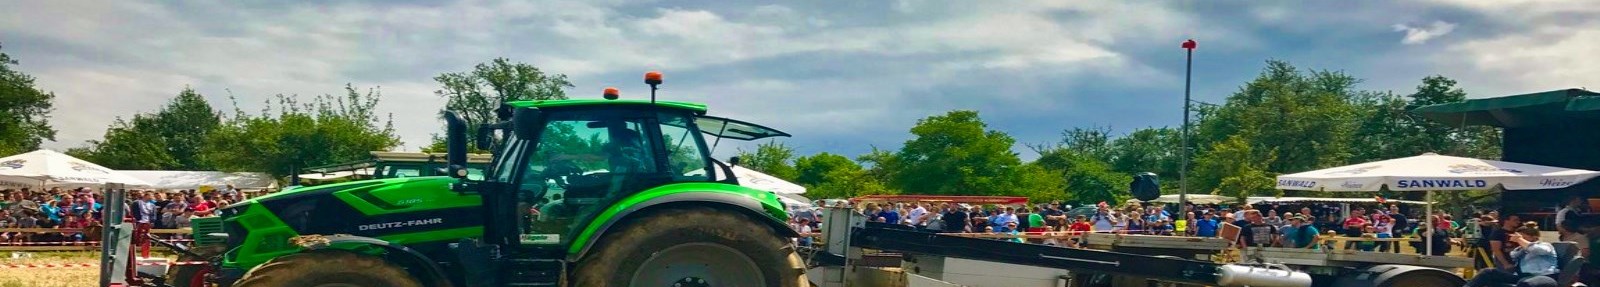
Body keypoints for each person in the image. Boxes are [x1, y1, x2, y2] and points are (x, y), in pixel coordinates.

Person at [1464, 222, 1559, 287]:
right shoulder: (1521, 249)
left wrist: (1520, 239)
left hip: (1544, 277)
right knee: (1488, 273)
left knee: (1525, 283)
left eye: (1524, 238)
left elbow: (1538, 250)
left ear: (1534, 237)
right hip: (1522, 276)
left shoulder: (1545, 245)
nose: (1519, 241)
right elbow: (1513, 255)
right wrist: (1520, 246)